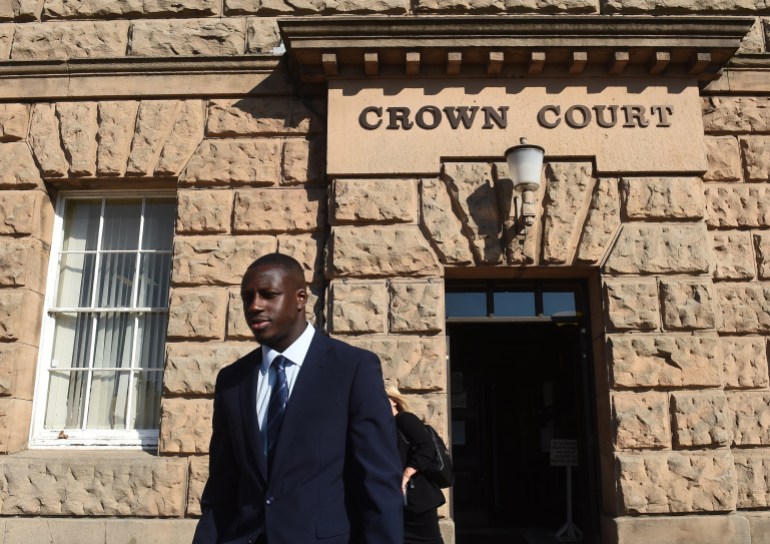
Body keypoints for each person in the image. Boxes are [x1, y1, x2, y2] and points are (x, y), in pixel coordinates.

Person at [193, 253, 403, 544]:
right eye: (247, 297)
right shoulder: (232, 381)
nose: (254, 306)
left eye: (268, 295)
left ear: (300, 298)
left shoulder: (352, 369)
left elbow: (377, 482)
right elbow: (221, 488)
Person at [386, 385, 446, 544]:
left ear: (393, 401)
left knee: (429, 540)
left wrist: (406, 474)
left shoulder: (405, 419)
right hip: (400, 501)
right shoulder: (384, 426)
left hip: (418, 497)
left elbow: (427, 447)